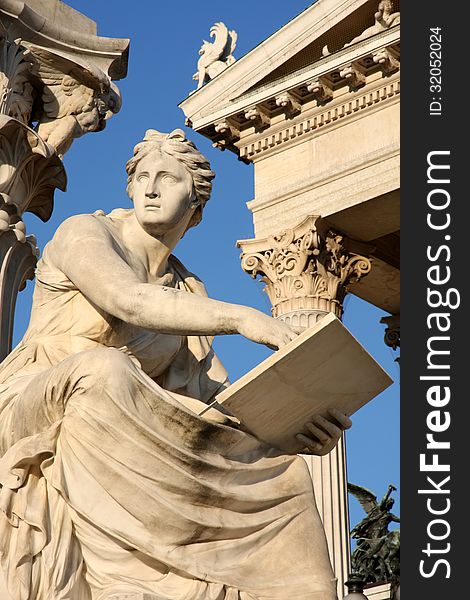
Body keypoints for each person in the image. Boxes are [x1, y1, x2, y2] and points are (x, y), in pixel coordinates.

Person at [0, 129, 351, 600]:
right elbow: (128, 300)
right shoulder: (86, 232)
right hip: (35, 399)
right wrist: (242, 317)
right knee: (104, 368)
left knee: (284, 471)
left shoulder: (188, 292)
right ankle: (118, 581)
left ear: (196, 205)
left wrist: (291, 427)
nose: (149, 188)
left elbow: (209, 408)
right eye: (142, 177)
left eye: (167, 178)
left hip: (122, 413)